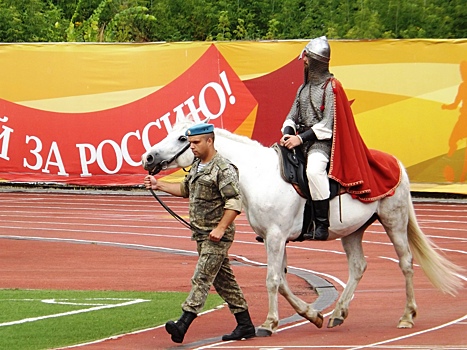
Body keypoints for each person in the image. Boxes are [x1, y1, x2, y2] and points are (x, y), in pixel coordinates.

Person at [280, 36, 401, 241]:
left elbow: (327, 126)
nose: (305, 62)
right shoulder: (303, 88)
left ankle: (322, 224)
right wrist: (288, 131)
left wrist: (300, 139)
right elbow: (293, 115)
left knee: (314, 171)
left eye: (307, 58)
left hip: (322, 144)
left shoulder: (332, 87)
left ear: (315, 61)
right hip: (301, 142)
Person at [144, 123, 256, 344]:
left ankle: (182, 324)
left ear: (210, 141)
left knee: (202, 277)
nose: (192, 147)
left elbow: (234, 202)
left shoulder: (223, 168)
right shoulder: (197, 166)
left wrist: (221, 228)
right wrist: (159, 185)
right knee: (224, 282)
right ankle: (245, 324)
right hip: (201, 233)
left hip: (217, 235)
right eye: (190, 143)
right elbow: (185, 189)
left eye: (196, 143)